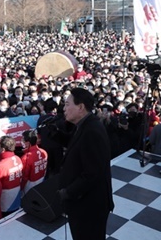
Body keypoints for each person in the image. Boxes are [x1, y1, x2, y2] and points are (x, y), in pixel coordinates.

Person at [57, 88, 113, 240]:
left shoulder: (92, 130)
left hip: (89, 206)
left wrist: (68, 192)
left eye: (67, 104)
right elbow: (78, 147)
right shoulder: (85, 125)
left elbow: (93, 173)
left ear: (80, 107)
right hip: (84, 203)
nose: (64, 108)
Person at [0, 135, 23, 217]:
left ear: (3, 149)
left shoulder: (1, 165)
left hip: (5, 203)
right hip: (17, 197)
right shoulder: (18, 158)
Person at [20, 129, 48, 195]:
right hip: (41, 180)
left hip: (30, 185)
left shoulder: (26, 158)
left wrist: (21, 187)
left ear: (28, 142)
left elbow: (24, 176)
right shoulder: (44, 152)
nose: (22, 141)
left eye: (23, 140)